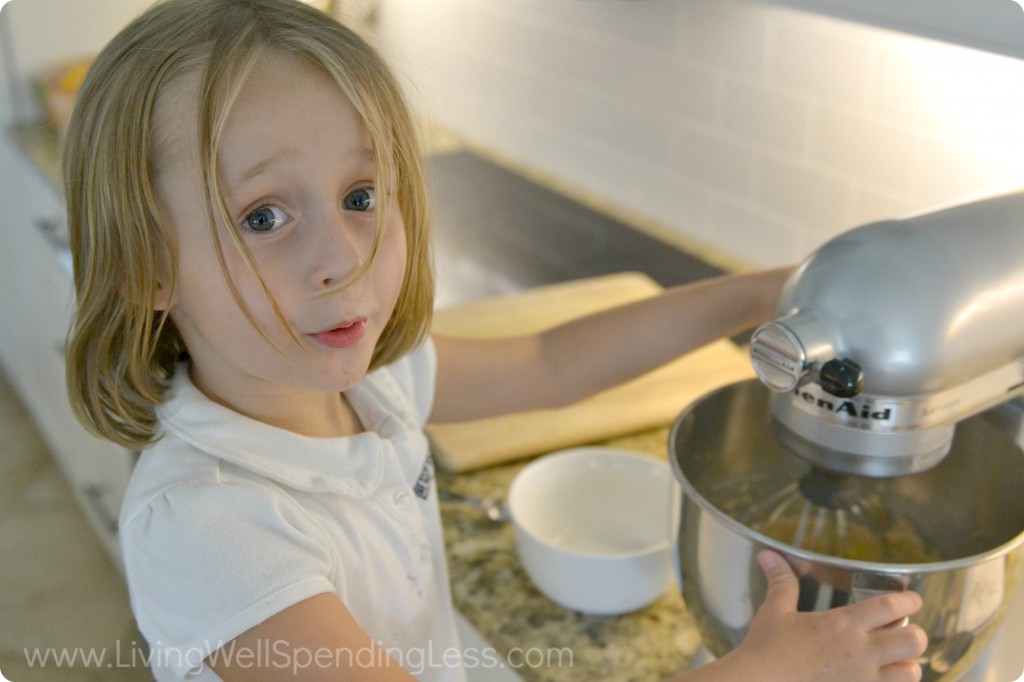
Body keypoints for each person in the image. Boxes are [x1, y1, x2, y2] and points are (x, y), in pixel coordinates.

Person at [61, 0, 928, 680]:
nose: (344, 256)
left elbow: (554, 365)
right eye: (264, 216)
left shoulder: (366, 384)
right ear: (145, 267)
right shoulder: (207, 526)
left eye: (362, 195)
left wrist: (751, 294)